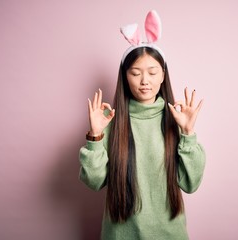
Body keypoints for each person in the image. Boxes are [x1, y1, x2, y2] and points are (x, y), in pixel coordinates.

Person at [79, 10, 206, 240]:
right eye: (135, 73)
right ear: (125, 77)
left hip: (169, 234)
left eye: (152, 72)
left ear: (163, 75)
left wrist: (188, 132)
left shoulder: (176, 119)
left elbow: (191, 183)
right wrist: (96, 136)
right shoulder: (111, 121)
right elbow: (94, 182)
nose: (145, 81)